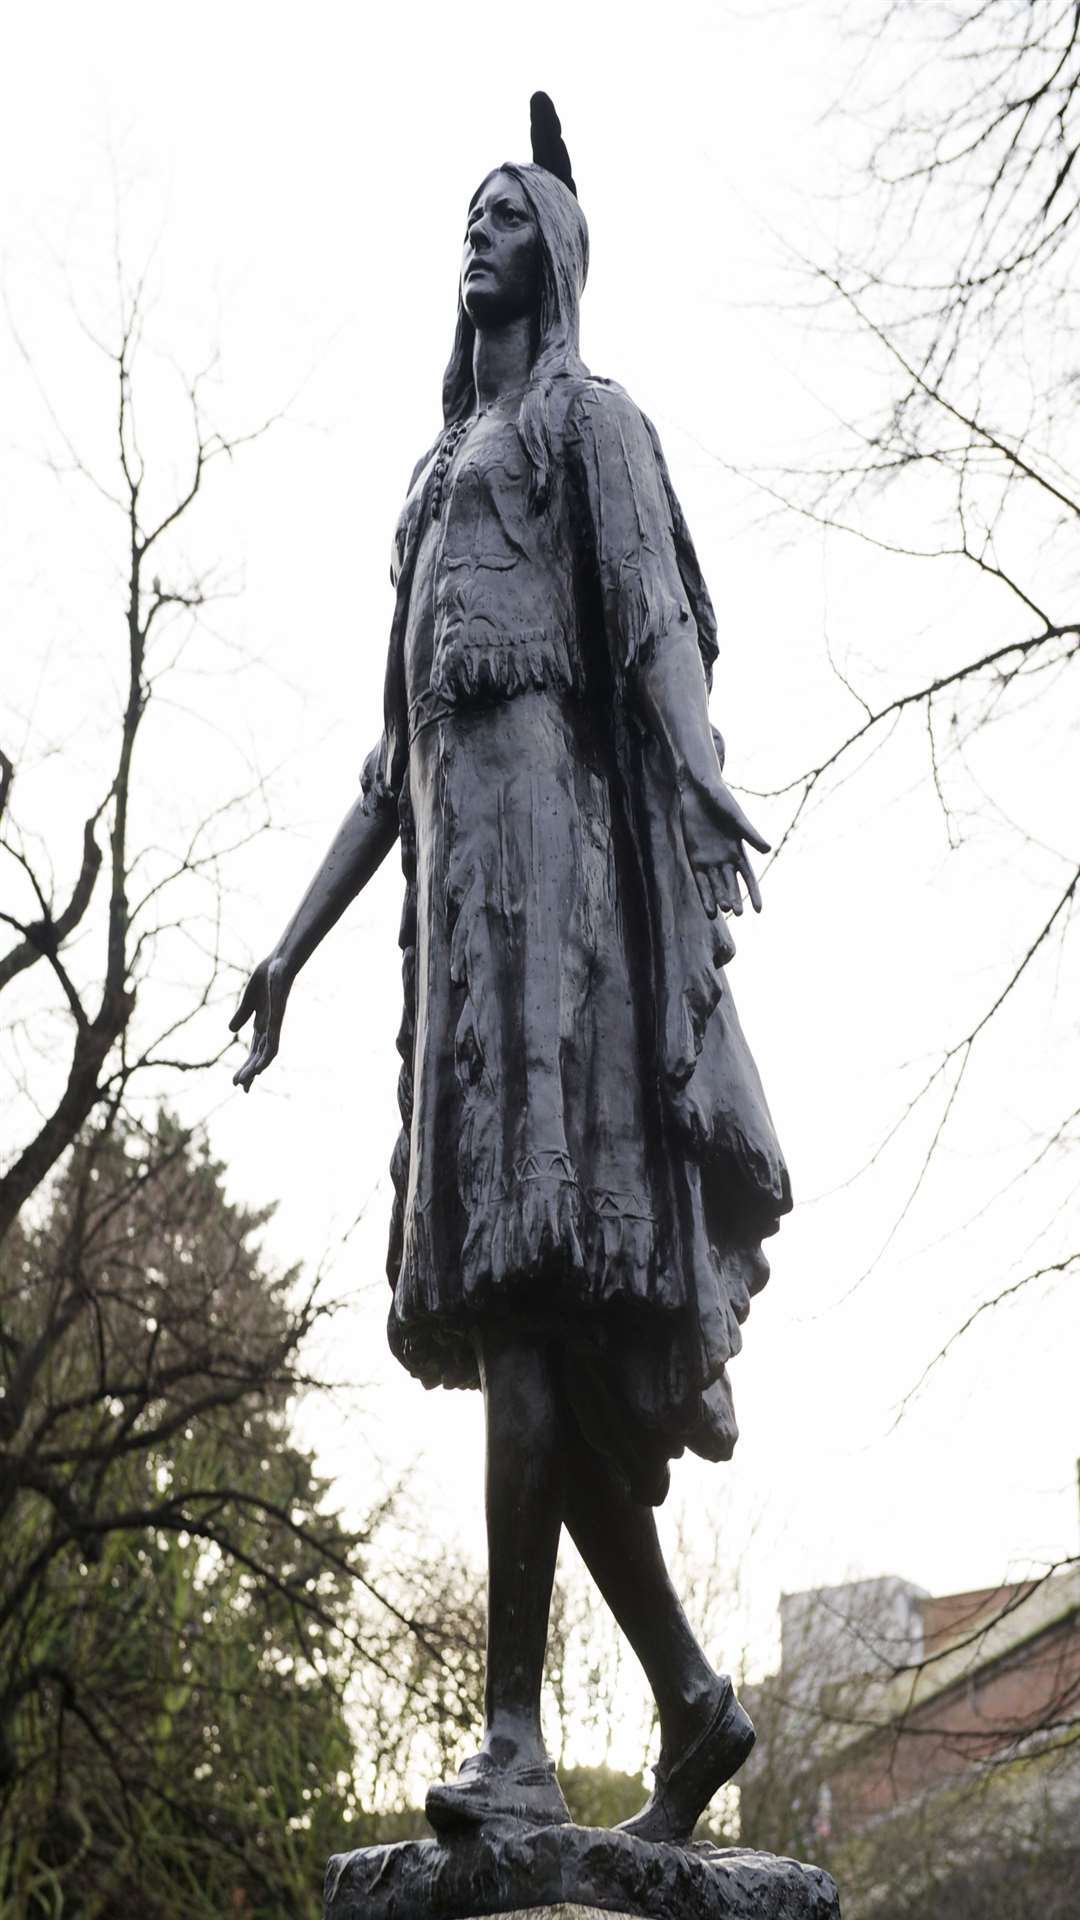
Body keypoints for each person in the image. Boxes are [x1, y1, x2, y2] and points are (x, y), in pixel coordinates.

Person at [230, 99, 790, 1843]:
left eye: (505, 211)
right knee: (516, 1308)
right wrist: (289, 948)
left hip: (559, 908)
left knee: (533, 1291)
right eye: (465, 214)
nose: (474, 232)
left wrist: (699, 777)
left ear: (556, 246)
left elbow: (653, 627)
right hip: (460, 940)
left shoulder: (582, 424)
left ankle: (521, 1735)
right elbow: (391, 768)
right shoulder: (432, 478)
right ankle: (684, 1709)